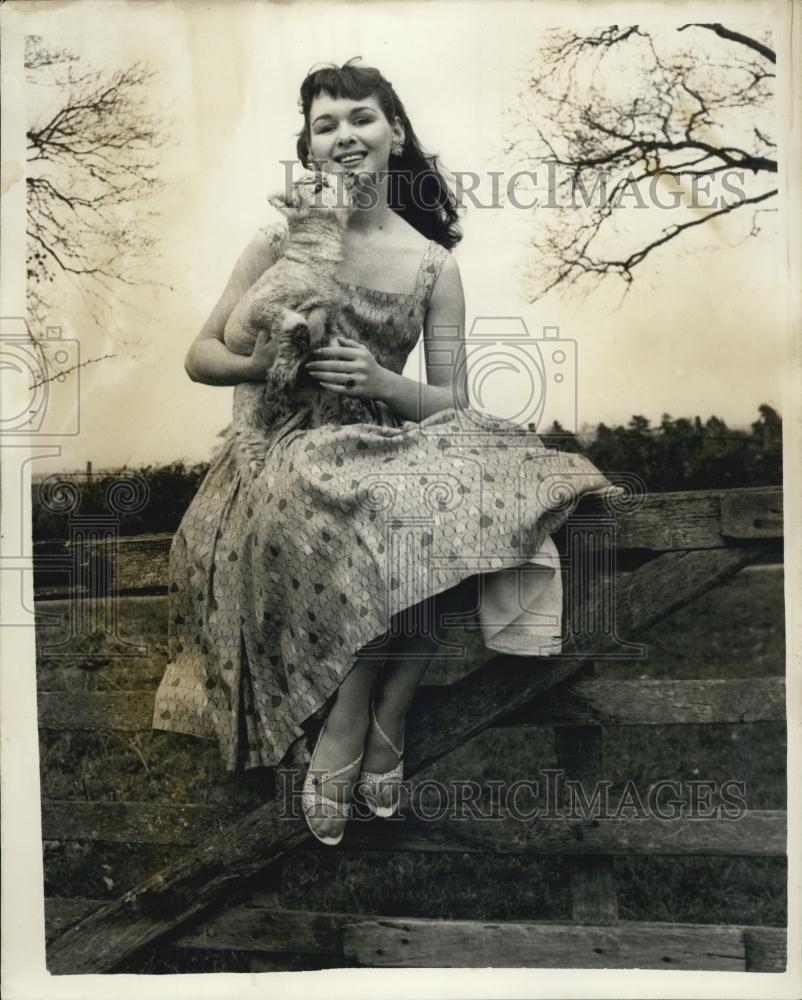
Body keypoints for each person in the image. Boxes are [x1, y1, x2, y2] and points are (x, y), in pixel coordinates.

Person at [152, 59, 622, 846]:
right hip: (284, 446)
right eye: (325, 124)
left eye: (361, 118)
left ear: (394, 133)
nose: (344, 137)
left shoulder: (433, 265)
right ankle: (347, 726)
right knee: (368, 506)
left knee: (450, 488)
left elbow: (450, 401)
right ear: (307, 148)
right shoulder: (279, 240)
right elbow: (199, 355)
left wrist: (377, 378)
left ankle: (386, 711)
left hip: (381, 444)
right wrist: (264, 365)